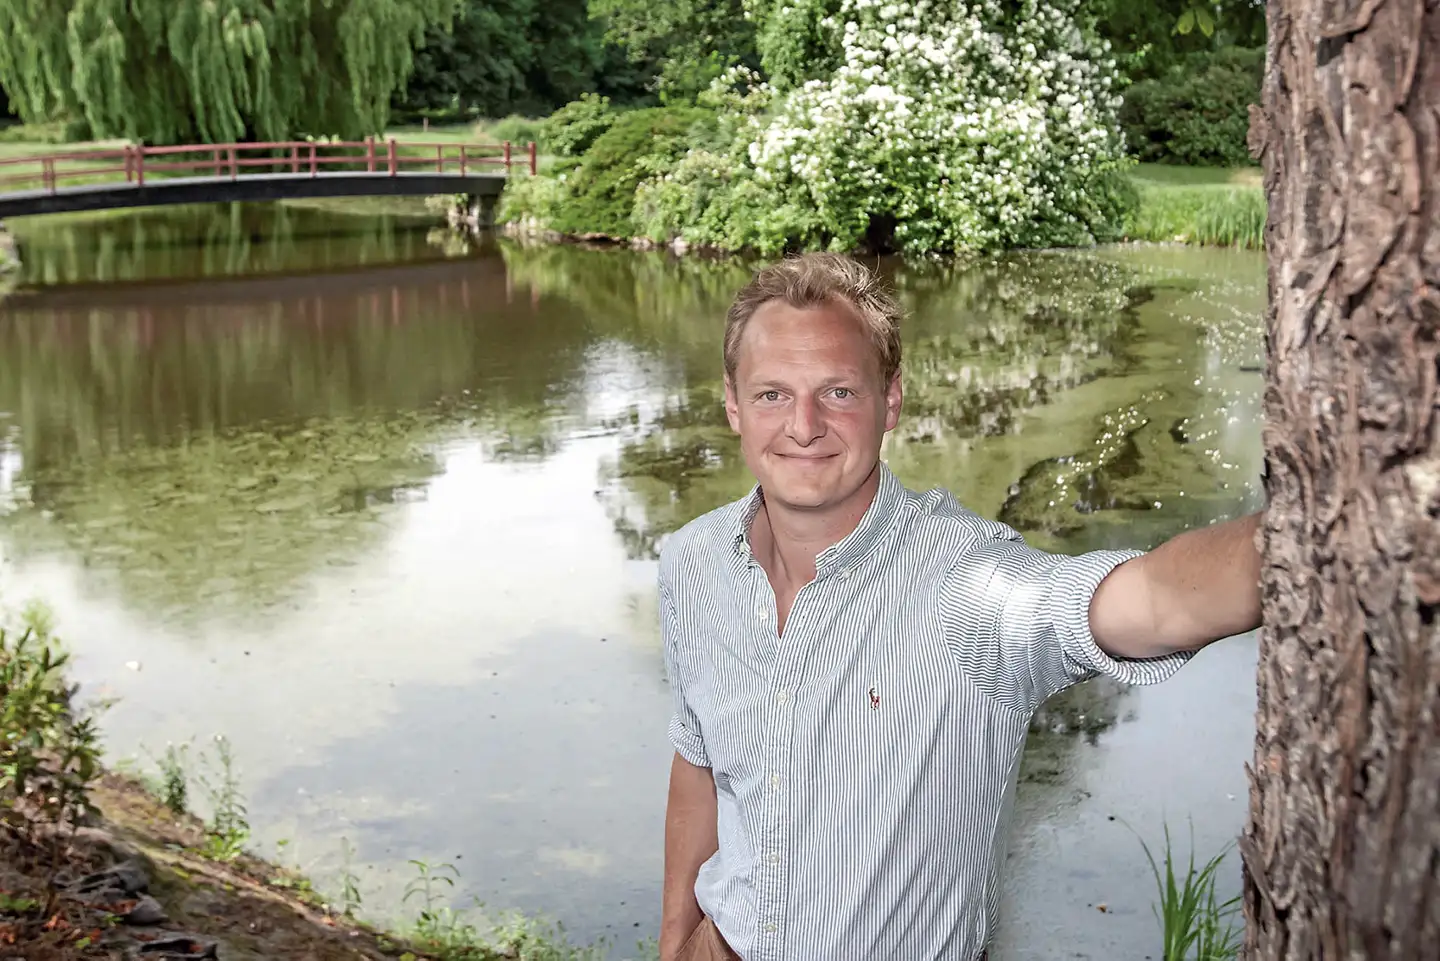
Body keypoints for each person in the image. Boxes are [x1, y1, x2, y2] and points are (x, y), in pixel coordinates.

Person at [656, 252, 1263, 961]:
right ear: (733, 403)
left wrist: (1318, 535)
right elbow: (697, 758)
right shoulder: (694, 563)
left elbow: (1152, 602)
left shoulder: (968, 586)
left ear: (892, 401)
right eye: (772, 395)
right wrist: (676, 939)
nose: (804, 425)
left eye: (839, 392)